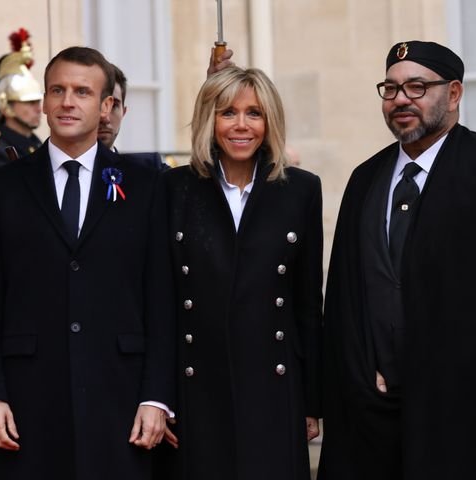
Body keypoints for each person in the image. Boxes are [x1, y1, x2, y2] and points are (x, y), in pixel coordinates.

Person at [318, 40, 476, 480]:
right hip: (374, 421)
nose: (401, 100)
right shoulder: (365, 177)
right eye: (390, 89)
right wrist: (358, 370)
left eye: (416, 86)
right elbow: (345, 298)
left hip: (467, 422)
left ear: (454, 94)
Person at [0, 46, 175, 479]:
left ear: (107, 105)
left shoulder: (147, 186)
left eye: (82, 92)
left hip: (122, 401)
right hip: (26, 404)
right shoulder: (2, 187)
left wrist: (156, 397)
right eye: (57, 90)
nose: (67, 102)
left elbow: (162, 297)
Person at [155, 66, 323, 479]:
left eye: (255, 113)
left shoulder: (300, 189)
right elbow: (160, 304)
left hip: (274, 391)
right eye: (227, 112)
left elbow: (307, 306)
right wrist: (159, 398)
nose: (242, 126)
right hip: (195, 392)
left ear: (270, 121)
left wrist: (313, 402)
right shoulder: (173, 188)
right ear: (209, 120)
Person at [98, 63, 167, 170]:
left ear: (123, 112)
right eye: (98, 105)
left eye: (114, 105)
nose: (105, 118)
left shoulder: (148, 172)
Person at [0, 28, 42, 168]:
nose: (39, 109)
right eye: (30, 102)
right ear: (5, 105)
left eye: (38, 101)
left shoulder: (38, 145)